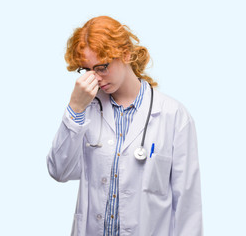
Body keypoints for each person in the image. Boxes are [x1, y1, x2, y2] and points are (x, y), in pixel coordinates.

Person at [47, 15, 203, 236]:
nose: (96, 79)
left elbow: (188, 207)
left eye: (102, 67)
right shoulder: (86, 109)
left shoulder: (174, 116)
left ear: (126, 54)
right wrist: (75, 109)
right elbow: (59, 171)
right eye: (88, 70)